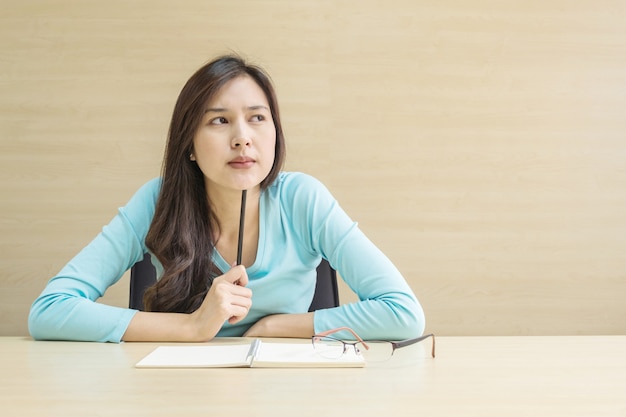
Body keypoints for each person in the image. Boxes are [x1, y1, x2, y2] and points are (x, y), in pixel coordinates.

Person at [28, 54, 425, 343]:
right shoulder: (156, 201)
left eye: (257, 117)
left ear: (274, 133)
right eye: (219, 120)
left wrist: (273, 326)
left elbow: (403, 313)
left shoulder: (304, 199)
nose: (242, 138)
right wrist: (191, 326)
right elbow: (49, 311)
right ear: (190, 146)